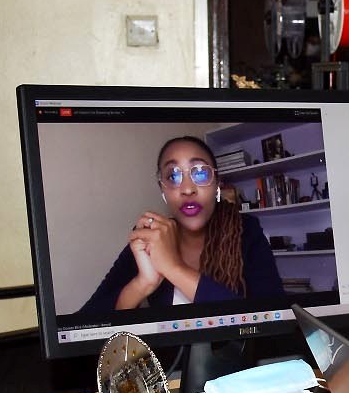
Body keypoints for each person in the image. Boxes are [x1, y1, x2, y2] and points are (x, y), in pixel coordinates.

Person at [79, 135, 284, 314]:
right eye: (173, 176)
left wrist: (173, 268)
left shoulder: (245, 231)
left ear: (217, 184)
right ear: (163, 189)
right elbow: (85, 323)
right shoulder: (151, 238)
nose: (187, 189)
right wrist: (142, 284)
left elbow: (273, 320)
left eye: (201, 173)